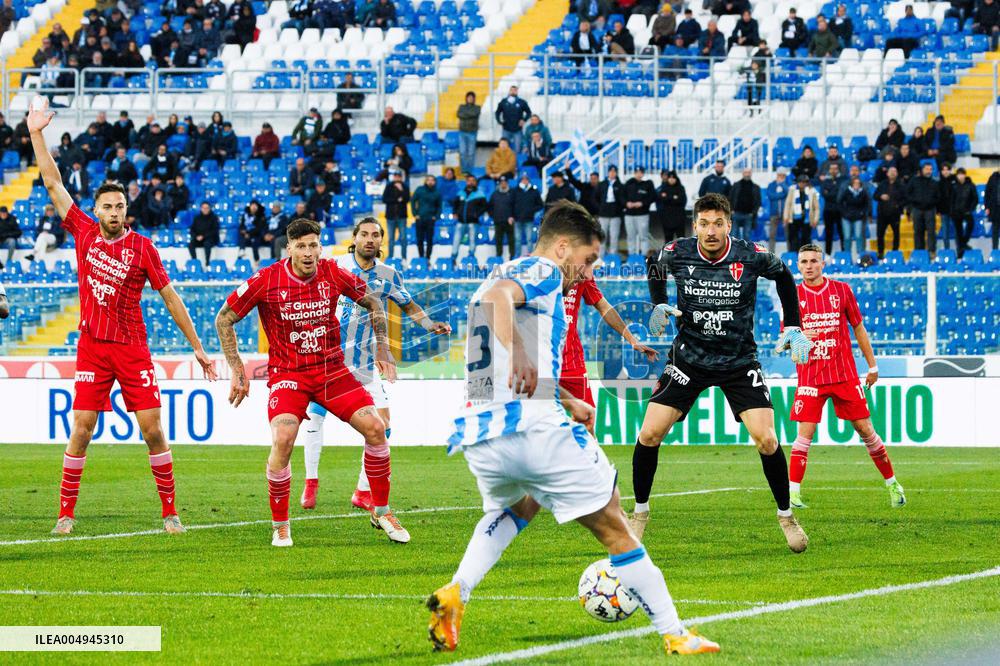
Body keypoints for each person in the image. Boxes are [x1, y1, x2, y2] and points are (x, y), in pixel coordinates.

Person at [426, 200, 720, 657]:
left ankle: (455, 593)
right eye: (586, 261)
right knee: (615, 522)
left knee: (518, 507)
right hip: (532, 431)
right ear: (563, 247)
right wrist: (522, 351)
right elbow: (497, 300)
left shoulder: (497, 273)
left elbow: (495, 315)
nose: (587, 272)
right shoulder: (541, 271)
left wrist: (565, 398)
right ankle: (675, 632)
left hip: (482, 435)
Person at [28, 98, 215, 536]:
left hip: (132, 348)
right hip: (92, 347)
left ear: (127, 210)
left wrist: (198, 348)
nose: (113, 212)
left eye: (119, 206)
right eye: (107, 206)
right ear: (97, 210)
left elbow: (171, 299)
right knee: (82, 429)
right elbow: (54, 184)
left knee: (152, 431)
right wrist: (37, 134)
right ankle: (65, 514)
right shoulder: (82, 231)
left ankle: (170, 511)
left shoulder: (144, 249)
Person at [632, 193, 811, 550]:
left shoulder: (750, 254)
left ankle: (786, 515)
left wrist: (793, 325)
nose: (711, 231)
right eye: (704, 223)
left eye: (718, 223)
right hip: (688, 359)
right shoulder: (676, 251)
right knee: (650, 433)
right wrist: (660, 303)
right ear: (694, 225)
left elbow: (785, 276)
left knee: (767, 439)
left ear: (729, 225)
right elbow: (654, 264)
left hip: (738, 361)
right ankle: (639, 514)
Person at [217, 218, 406, 547]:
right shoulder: (266, 279)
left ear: (321, 247)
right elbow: (225, 318)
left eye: (313, 245)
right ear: (289, 248)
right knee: (285, 438)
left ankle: (382, 510)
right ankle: (280, 524)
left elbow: (374, 301)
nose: (308, 252)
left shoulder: (332, 272)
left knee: (376, 428)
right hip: (289, 374)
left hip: (331, 371)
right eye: (301, 246)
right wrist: (236, 368)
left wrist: (383, 348)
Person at [299, 218, 451, 514]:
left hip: (366, 365)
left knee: (384, 427)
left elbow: (408, 305)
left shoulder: (389, 274)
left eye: (376, 235)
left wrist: (430, 324)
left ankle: (362, 491)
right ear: (354, 238)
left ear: (382, 241)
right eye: (365, 234)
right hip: (330, 361)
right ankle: (311, 482)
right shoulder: (334, 265)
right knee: (315, 418)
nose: (370, 239)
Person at [789, 244, 905, 507]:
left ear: (823, 263)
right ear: (798, 265)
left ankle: (893, 484)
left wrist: (872, 366)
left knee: (866, 430)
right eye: (804, 261)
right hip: (811, 376)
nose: (809, 266)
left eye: (813, 261)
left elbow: (859, 329)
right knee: (804, 434)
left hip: (843, 374)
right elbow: (786, 341)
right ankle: (793, 493)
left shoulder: (842, 291)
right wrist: (798, 337)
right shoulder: (792, 296)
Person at [562, 274, 659, 421]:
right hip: (541, 358)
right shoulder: (537, 270)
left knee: (587, 417)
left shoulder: (582, 273)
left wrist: (631, 339)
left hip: (571, 360)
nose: (591, 269)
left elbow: (603, 306)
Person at [451, 174, 488, 264]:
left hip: (473, 222)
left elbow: (484, 207)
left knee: (472, 240)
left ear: (475, 182)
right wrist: (455, 213)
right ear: (466, 182)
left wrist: (476, 214)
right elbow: (455, 204)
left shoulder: (480, 194)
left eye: (473, 181)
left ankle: (470, 258)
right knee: (456, 240)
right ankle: (453, 258)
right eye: (469, 180)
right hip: (460, 222)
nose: (471, 182)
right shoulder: (460, 193)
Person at [907, 162, 939, 255]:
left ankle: (931, 251)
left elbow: (938, 196)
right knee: (918, 232)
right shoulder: (914, 181)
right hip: (917, 209)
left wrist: (932, 202)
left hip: (930, 209)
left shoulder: (934, 183)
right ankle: (919, 252)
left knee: (931, 232)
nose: (929, 171)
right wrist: (914, 203)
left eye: (930, 169)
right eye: (927, 169)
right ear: (922, 170)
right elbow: (908, 193)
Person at [623, 167, 656, 255]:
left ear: (643, 173)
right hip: (629, 214)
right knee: (630, 237)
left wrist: (642, 203)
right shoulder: (628, 183)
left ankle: (644, 256)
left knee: (643, 237)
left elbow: (652, 197)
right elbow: (621, 196)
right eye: (637, 172)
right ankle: (632, 256)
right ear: (634, 173)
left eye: (640, 172)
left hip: (642, 214)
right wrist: (626, 203)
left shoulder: (648, 184)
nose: (638, 174)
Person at [874, 166, 905, 258]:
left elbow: (906, 199)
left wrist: (898, 205)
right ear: (887, 173)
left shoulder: (901, 185)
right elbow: (875, 196)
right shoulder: (882, 184)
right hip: (882, 213)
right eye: (891, 171)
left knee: (896, 234)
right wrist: (881, 196)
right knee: (880, 234)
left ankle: (895, 252)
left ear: (897, 173)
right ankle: (880, 253)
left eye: (895, 171)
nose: (892, 173)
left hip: (895, 214)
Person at [783, 174, 819, 252]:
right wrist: (786, 217)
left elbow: (816, 208)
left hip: (806, 218)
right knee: (793, 238)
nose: (802, 184)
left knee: (806, 239)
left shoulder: (812, 192)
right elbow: (788, 204)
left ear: (807, 183)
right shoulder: (792, 190)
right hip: (794, 218)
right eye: (800, 182)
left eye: (804, 182)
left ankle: (806, 256)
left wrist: (815, 219)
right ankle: (793, 256)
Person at [839, 176, 871, 258]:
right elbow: (840, 202)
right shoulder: (847, 191)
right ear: (852, 184)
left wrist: (862, 213)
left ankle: (860, 256)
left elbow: (867, 204)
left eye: (858, 183)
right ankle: (846, 256)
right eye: (855, 183)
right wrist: (844, 213)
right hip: (846, 217)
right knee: (847, 237)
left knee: (858, 236)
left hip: (858, 217)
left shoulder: (863, 193)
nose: (856, 185)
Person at [411, 174, 442, 259]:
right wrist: (415, 213)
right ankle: (421, 257)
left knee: (429, 240)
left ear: (435, 182)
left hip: (430, 219)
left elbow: (439, 206)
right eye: (428, 180)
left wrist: (436, 216)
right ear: (425, 181)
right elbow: (413, 200)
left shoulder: (437, 192)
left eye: (432, 180)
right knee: (419, 239)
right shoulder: (420, 190)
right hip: (420, 218)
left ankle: (428, 258)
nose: (430, 181)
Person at [512, 172, 543, 256]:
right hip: (517, 219)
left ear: (528, 180)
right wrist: (512, 215)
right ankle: (517, 256)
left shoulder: (534, 191)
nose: (525, 180)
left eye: (526, 179)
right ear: (520, 180)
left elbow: (540, 204)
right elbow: (510, 204)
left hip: (529, 219)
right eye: (523, 179)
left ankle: (531, 256)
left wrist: (531, 210)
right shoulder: (515, 191)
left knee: (529, 239)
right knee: (517, 239)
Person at [951, 168, 979, 258]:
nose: (960, 176)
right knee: (958, 231)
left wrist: (970, 209)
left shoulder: (971, 185)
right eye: (959, 174)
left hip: (967, 211)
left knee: (971, 224)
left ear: (965, 175)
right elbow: (950, 199)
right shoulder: (954, 186)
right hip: (956, 212)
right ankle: (960, 251)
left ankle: (963, 243)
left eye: (962, 174)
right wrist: (953, 210)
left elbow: (975, 198)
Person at [382, 169, 410, 259]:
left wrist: (401, 190)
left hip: (402, 216)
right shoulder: (389, 186)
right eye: (396, 176)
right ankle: (390, 257)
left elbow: (407, 199)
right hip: (390, 216)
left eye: (399, 176)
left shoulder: (405, 187)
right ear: (393, 177)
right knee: (391, 239)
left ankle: (404, 257)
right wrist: (396, 200)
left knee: (403, 238)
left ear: (401, 177)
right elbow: (384, 199)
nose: (397, 178)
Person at [494, 86, 531, 154]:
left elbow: (529, 112)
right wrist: (499, 121)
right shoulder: (504, 101)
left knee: (517, 149)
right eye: (511, 90)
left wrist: (524, 120)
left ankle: (515, 164)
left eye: (515, 90)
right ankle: (505, 163)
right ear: (509, 91)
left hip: (517, 129)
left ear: (517, 91)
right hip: (506, 129)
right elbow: (497, 112)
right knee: (504, 149)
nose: (513, 91)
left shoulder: (521, 102)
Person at [652, 169, 686, 244]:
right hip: (667, 219)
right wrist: (674, 197)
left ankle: (682, 255)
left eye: (673, 178)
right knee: (668, 241)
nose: (671, 180)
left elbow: (682, 201)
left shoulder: (681, 188)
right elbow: (662, 200)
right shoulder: (663, 188)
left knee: (681, 240)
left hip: (679, 218)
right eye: (670, 178)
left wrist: (668, 197)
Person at [820, 163, 847, 254]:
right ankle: (828, 254)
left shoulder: (843, 180)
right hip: (828, 210)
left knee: (842, 233)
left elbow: (841, 194)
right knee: (828, 233)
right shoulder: (825, 181)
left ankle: (844, 253)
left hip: (840, 210)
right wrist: (835, 191)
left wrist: (830, 191)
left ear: (838, 169)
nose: (833, 170)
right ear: (829, 170)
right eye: (832, 169)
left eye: (835, 168)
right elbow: (824, 194)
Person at [597, 166, 624, 254]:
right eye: (610, 171)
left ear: (616, 173)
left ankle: (613, 257)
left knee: (614, 237)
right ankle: (600, 257)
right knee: (602, 237)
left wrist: (619, 209)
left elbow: (623, 200)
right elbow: (594, 198)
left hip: (615, 215)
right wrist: (599, 207)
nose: (612, 173)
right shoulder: (602, 184)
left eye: (614, 171)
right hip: (603, 214)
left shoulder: (620, 185)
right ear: (608, 172)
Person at [487, 175, 516, 259]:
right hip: (498, 221)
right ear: (499, 184)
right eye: (501, 182)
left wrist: (513, 216)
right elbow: (490, 207)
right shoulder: (495, 194)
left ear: (507, 183)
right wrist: (494, 216)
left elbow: (516, 206)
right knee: (498, 240)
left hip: (509, 221)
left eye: (505, 182)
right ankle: (498, 257)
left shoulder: (512, 193)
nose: (503, 184)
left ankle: (512, 257)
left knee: (511, 240)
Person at [728, 167, 761, 241]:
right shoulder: (736, 185)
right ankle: (734, 252)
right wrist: (731, 210)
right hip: (736, 214)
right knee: (734, 236)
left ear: (751, 174)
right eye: (746, 172)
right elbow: (730, 198)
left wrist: (753, 213)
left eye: (749, 172)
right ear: (742, 174)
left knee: (747, 236)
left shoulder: (756, 187)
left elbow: (758, 202)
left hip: (748, 215)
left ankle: (746, 252)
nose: (747, 174)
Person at [766, 168, 790, 252]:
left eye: (783, 175)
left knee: (788, 234)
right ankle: (771, 254)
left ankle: (790, 253)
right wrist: (781, 195)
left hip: (786, 213)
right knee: (772, 234)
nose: (781, 177)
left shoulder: (787, 184)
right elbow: (771, 196)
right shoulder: (771, 185)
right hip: (774, 213)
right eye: (779, 175)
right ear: (777, 175)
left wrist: (782, 184)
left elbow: (788, 193)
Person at [456, 91, 480, 174]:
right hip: (462, 132)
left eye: (472, 98)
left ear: (474, 99)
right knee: (462, 152)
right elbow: (459, 115)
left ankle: (470, 171)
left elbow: (474, 113)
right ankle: (464, 170)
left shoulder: (477, 107)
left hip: (472, 132)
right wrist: (469, 115)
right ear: (466, 98)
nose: (470, 99)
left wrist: (465, 114)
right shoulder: (461, 106)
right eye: (469, 97)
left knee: (471, 153)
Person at [937, 163, 956, 251]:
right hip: (944, 210)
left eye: (946, 169)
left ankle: (960, 250)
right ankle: (947, 250)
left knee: (957, 231)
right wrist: (938, 210)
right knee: (945, 232)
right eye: (943, 170)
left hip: (955, 210)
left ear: (950, 170)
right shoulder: (939, 183)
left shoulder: (955, 180)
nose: (945, 172)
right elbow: (938, 197)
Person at [988, 170, 1000, 250]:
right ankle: (995, 250)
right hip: (995, 209)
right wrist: (987, 206)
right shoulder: (993, 178)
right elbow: (987, 193)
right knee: (995, 230)